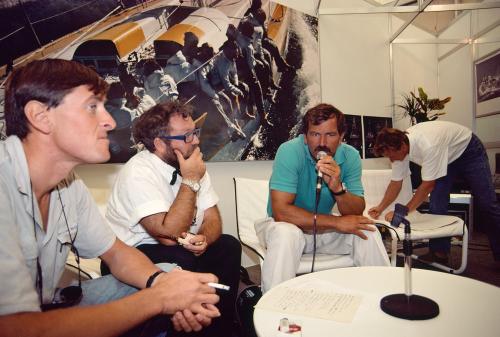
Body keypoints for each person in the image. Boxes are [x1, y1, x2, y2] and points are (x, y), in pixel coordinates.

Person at [0, 58, 221, 337]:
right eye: (92, 107)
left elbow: (116, 253)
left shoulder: (68, 185)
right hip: (19, 323)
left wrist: (166, 284)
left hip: (46, 303)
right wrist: (161, 298)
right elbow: (13, 328)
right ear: (40, 116)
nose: (110, 121)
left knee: (169, 271)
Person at [104, 101, 242, 335]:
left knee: (228, 246)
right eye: (187, 136)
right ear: (159, 144)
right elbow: (168, 235)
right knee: (180, 258)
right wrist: (190, 180)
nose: (196, 141)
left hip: (180, 244)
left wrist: (204, 239)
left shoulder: (190, 161)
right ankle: (183, 331)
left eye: (195, 132)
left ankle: (221, 326)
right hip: (132, 254)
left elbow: (213, 216)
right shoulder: (138, 172)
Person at [256, 103, 390, 292]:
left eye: (330, 134)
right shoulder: (289, 151)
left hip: (322, 231)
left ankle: (383, 294)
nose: (322, 143)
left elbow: (355, 211)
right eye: (315, 134)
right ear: (305, 136)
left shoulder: (350, 156)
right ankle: (273, 309)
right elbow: (281, 212)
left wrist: (337, 188)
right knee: (286, 233)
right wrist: (336, 223)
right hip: (285, 227)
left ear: (342, 136)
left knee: (367, 230)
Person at [369, 122, 500, 263]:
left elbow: (427, 186)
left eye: (391, 156)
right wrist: (380, 207)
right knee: (437, 202)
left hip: (468, 150)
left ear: (403, 146)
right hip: (445, 155)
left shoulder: (429, 145)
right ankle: (439, 253)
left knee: (487, 203)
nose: (391, 160)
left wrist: (400, 213)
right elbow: (396, 183)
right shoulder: (398, 148)